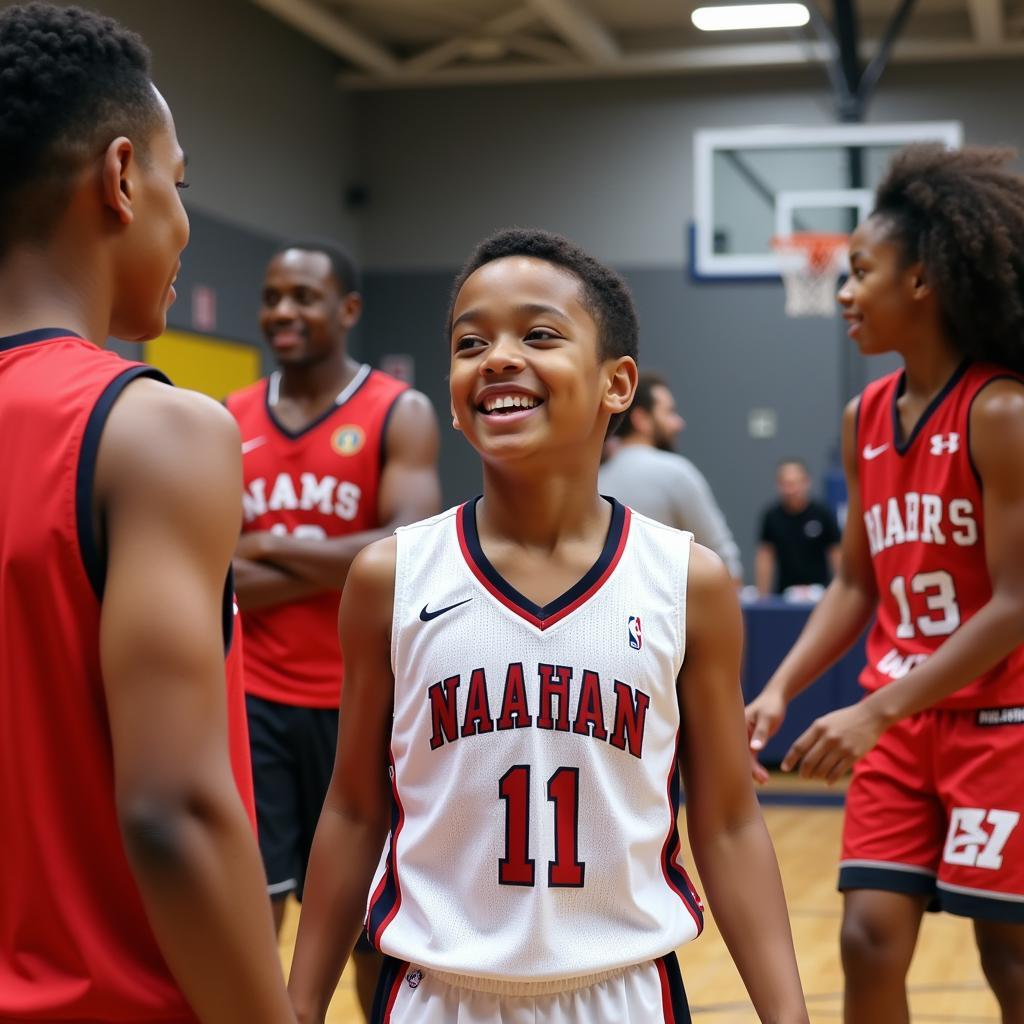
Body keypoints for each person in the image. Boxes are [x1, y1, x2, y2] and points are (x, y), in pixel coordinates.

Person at [287, 228, 809, 1023]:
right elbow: (356, 809)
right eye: (471, 342)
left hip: (622, 992)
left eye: (537, 334)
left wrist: (788, 1015)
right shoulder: (391, 577)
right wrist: (301, 1004)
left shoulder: (686, 580)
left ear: (617, 385)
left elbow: (730, 822)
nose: (497, 357)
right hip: (436, 994)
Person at [0, 5, 294, 1023]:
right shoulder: (156, 430)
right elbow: (171, 812)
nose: (184, 220)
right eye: (181, 180)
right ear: (121, 179)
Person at [745, 145, 1024, 1023]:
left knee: (1010, 956)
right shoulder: (862, 416)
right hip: (902, 729)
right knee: (867, 938)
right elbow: (857, 587)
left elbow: (1016, 604)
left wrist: (876, 708)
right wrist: (781, 687)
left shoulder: (1002, 411)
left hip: (1001, 727)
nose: (843, 292)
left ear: (925, 281)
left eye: (861, 271)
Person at [225, 241, 441, 1017]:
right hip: (251, 697)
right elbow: (215, 573)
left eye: (304, 296)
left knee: (366, 926)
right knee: (254, 908)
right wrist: (338, 559)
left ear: (348, 309)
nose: (284, 311)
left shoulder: (397, 410)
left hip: (362, 707)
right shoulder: (230, 417)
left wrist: (265, 544)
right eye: (273, 295)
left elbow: (406, 549)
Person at [599, 371, 743, 581]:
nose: (678, 423)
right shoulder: (676, 473)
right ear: (642, 419)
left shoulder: (596, 478)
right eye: (669, 412)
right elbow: (723, 561)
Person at [755, 458, 841, 596]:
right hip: (784, 594)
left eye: (795, 483)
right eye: (785, 483)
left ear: (806, 482)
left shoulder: (822, 513)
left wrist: (839, 593)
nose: (791, 489)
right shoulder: (771, 516)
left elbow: (836, 555)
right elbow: (765, 556)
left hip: (820, 594)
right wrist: (762, 595)